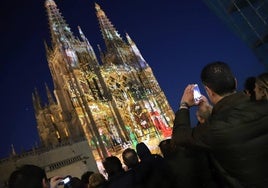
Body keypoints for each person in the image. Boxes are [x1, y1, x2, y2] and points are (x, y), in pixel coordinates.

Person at [172, 61, 268, 187]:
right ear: (235, 82)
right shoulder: (264, 105)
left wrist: (184, 105)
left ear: (208, 91)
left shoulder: (215, 128)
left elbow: (180, 137)